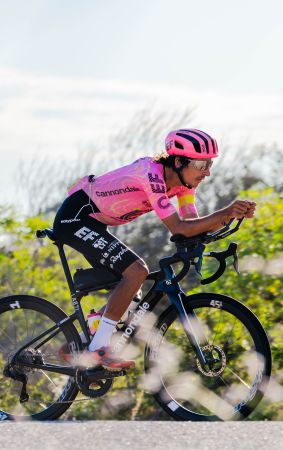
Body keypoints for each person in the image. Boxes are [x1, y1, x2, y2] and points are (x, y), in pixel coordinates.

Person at [52, 128, 256, 371]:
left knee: (133, 287)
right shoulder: (150, 175)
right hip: (75, 218)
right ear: (179, 161)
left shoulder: (184, 185)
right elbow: (179, 228)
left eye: (210, 164)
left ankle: (90, 336)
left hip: (96, 221)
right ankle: (97, 350)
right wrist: (225, 212)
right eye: (202, 164)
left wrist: (227, 222)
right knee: (137, 272)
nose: (207, 172)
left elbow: (192, 225)